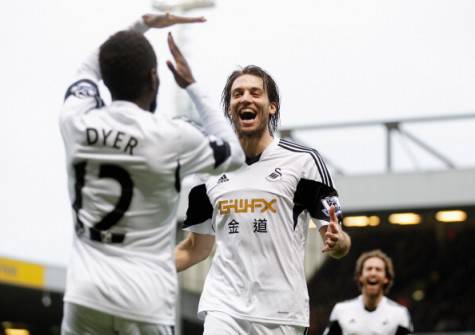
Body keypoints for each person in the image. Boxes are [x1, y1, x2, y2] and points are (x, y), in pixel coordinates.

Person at [59, 13, 245, 335]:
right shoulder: (172, 137)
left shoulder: (76, 121)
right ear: (154, 78)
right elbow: (235, 152)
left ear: (106, 76)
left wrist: (139, 25)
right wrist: (192, 86)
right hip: (146, 301)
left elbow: (87, 68)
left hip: (85, 295)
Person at [175, 65, 351, 334]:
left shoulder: (304, 162)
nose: (245, 98)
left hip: (282, 313)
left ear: (272, 107)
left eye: (255, 92)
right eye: (237, 94)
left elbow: (339, 240)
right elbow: (195, 248)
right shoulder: (209, 168)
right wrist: (147, 271)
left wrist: (339, 242)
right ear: (230, 108)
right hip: (224, 307)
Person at [323, 249, 413, 335]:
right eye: (369, 269)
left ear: (386, 278)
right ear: (360, 276)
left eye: (378, 269)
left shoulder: (399, 314)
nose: (373, 273)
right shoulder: (341, 310)